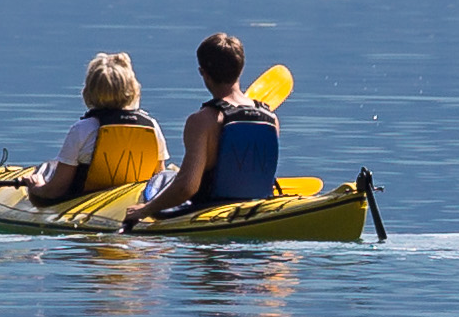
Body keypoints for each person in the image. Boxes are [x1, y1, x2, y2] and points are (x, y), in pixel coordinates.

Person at [138, 30, 280, 218]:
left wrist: (144, 210)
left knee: (164, 178)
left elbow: (186, 188)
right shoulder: (271, 119)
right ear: (241, 68)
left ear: (203, 73)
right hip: (256, 209)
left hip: (208, 213)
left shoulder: (202, 121)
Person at [24, 50, 162, 206]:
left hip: (83, 204)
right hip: (132, 204)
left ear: (89, 92)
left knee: (46, 169)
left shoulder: (82, 130)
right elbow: (158, 179)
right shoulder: (152, 126)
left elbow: (57, 189)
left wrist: (37, 187)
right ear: (133, 89)